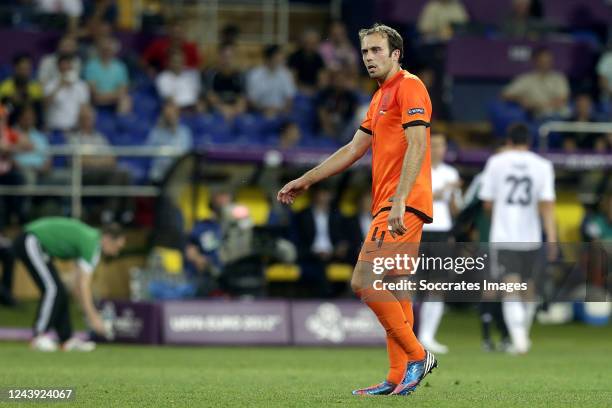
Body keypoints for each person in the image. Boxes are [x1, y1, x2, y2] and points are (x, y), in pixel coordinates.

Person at [278, 23, 437, 396]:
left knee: (364, 282)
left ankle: (418, 356)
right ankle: (398, 378)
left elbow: (417, 146)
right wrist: (307, 179)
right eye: (365, 51)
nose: (369, 57)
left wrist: (399, 200)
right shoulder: (380, 96)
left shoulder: (410, 87)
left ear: (396, 54)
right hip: (395, 203)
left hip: (402, 204)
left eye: (376, 50)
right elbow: (353, 149)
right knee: (396, 287)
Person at [478, 123, 557, 354]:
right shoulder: (543, 165)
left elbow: (487, 203)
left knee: (510, 286)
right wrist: (551, 235)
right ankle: (522, 336)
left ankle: (519, 339)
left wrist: (497, 218)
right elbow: (547, 204)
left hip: (504, 235)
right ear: (529, 142)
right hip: (531, 236)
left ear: (509, 141)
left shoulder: (496, 162)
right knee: (529, 288)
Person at [12, 217, 126, 351]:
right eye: (117, 247)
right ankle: (38, 335)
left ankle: (66, 339)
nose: (116, 253)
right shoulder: (92, 244)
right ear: (107, 239)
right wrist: (93, 318)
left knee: (60, 290)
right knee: (52, 289)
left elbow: (76, 286)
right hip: (31, 240)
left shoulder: (90, 239)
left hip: (36, 244)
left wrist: (88, 314)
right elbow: (84, 286)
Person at [418, 132, 461, 355]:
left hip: (442, 232)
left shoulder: (450, 173)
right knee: (411, 284)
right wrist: (439, 193)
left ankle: (428, 336)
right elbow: (413, 200)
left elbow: (456, 210)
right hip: (420, 230)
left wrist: (453, 195)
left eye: (442, 145)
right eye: (434, 145)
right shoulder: (417, 169)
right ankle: (407, 335)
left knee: (438, 286)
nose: (438, 149)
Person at [69, 105, 132, 223]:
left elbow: (112, 159)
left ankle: (125, 214)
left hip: (103, 173)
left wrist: (94, 161)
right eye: (86, 118)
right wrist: (100, 162)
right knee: (116, 175)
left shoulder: (99, 137)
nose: (89, 121)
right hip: (84, 176)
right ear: (80, 119)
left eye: (91, 118)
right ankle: (109, 213)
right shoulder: (74, 138)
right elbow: (80, 162)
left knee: (124, 173)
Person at [502, 47, 569, 118]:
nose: (546, 64)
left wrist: (539, 105)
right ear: (535, 61)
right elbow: (505, 94)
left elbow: (562, 99)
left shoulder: (559, 78)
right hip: (534, 115)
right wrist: (520, 99)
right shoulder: (525, 79)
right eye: (543, 61)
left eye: (548, 61)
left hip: (558, 114)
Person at [146, 100, 193, 182]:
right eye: (168, 113)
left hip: (177, 174)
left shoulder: (184, 131)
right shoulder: (156, 131)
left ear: (177, 114)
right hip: (159, 173)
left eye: (173, 113)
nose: (170, 115)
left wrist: (174, 131)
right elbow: (147, 150)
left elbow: (185, 152)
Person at [246, 45, 296, 118]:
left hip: (281, 113)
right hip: (260, 113)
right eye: (278, 56)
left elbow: (290, 98)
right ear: (269, 58)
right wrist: (264, 110)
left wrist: (280, 111)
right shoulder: (255, 75)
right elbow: (251, 100)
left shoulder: (286, 74)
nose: (281, 59)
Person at [44, 54, 90, 132]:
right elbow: (45, 105)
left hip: (74, 129)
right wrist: (59, 86)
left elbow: (84, 108)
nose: (65, 68)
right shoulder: (50, 85)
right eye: (63, 66)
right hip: (55, 129)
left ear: (71, 66)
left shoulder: (81, 86)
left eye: (68, 65)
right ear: (58, 67)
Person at [84, 36, 131, 112]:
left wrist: (107, 97)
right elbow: (94, 93)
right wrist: (113, 95)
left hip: (114, 101)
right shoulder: (91, 66)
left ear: (114, 50)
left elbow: (122, 90)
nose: (107, 52)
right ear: (99, 50)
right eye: (105, 49)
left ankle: (121, 122)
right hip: (96, 101)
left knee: (126, 100)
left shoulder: (120, 66)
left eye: (109, 49)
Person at [288, 29, 325, 93]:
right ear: (303, 42)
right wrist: (303, 89)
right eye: (308, 42)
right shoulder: (295, 57)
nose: (311, 45)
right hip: (298, 89)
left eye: (314, 43)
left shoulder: (319, 58)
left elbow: (322, 79)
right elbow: (292, 78)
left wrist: (315, 90)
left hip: (314, 90)